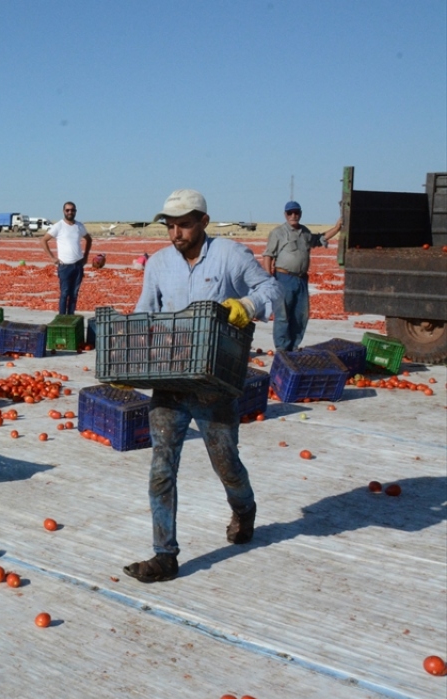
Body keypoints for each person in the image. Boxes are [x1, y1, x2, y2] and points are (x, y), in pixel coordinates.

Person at [123, 189, 282, 584]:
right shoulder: (158, 264)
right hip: (170, 381)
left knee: (226, 465)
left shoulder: (230, 255)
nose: (175, 233)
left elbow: (271, 290)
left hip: (215, 383)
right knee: (162, 467)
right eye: (170, 226)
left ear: (203, 222)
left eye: (184, 225)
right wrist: (129, 353)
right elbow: (145, 312)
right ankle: (165, 555)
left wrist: (247, 306)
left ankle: (244, 509)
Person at [262, 201, 341, 352]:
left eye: (296, 212)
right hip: (284, 278)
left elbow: (320, 239)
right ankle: (282, 348)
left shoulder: (305, 232)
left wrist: (337, 227)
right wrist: (269, 278)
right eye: (290, 213)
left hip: (301, 280)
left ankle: (293, 347)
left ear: (300, 214)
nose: (293, 215)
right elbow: (268, 255)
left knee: (300, 315)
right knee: (283, 315)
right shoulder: (278, 233)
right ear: (285, 215)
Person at [42, 202, 93, 314]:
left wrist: (86, 256)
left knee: (74, 294)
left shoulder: (79, 226)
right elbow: (44, 240)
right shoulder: (58, 226)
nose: (70, 212)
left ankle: (70, 316)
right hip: (65, 266)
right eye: (67, 210)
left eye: (72, 210)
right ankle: (62, 317)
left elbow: (89, 239)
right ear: (63, 211)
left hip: (78, 265)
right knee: (65, 293)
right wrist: (52, 257)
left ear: (75, 211)